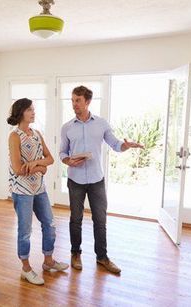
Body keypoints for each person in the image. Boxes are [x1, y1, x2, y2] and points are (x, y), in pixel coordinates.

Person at [59, 86, 144, 274]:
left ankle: (102, 257)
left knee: (100, 220)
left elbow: (115, 144)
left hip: (97, 179)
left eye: (78, 101)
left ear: (87, 101)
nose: (74, 104)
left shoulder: (101, 123)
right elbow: (62, 153)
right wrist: (68, 161)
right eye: (72, 100)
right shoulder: (67, 127)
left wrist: (125, 145)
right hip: (75, 180)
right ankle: (75, 254)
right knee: (76, 219)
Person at [7, 98, 69, 285]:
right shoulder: (14, 136)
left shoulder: (36, 134)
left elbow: (50, 158)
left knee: (49, 223)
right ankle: (26, 268)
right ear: (21, 113)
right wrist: (41, 168)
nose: (33, 113)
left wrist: (36, 163)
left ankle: (48, 261)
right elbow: (18, 168)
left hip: (39, 188)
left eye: (34, 109)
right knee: (25, 231)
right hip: (22, 190)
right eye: (29, 110)